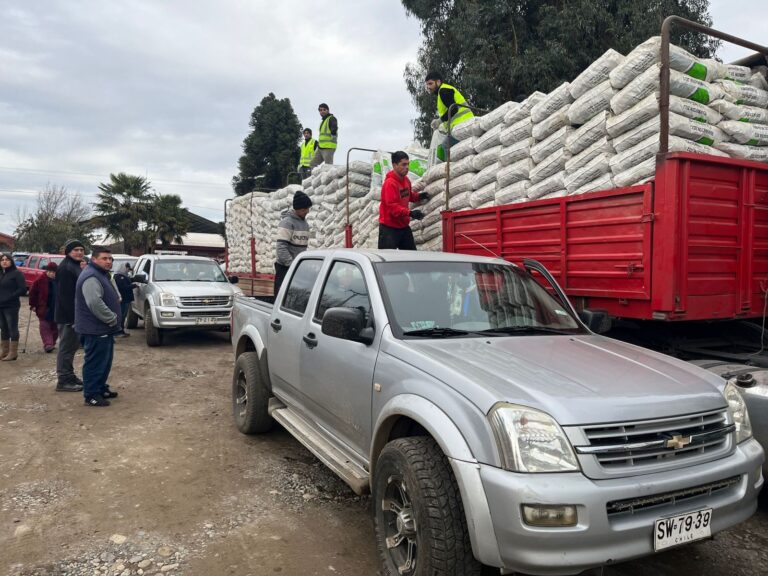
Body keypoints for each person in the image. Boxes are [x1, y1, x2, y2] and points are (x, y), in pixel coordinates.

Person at [74, 248, 121, 407]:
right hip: (95, 328)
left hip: (103, 328)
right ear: (94, 259)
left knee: (104, 361)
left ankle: (100, 388)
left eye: (110, 258)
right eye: (104, 258)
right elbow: (94, 302)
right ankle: (91, 395)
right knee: (95, 362)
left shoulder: (100, 274)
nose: (108, 261)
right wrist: (112, 318)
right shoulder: (91, 276)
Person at [378, 151, 430, 250]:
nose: (407, 167)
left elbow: (409, 196)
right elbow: (392, 207)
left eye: (408, 164)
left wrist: (420, 196)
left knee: (411, 257)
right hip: (389, 228)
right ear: (394, 165)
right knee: (387, 260)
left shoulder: (406, 180)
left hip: (403, 227)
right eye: (403, 164)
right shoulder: (390, 184)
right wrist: (410, 213)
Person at [55, 239, 85, 392]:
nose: (79, 252)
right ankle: (63, 380)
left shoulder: (74, 266)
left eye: (81, 250)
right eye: (76, 250)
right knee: (66, 348)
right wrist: (73, 319)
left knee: (72, 347)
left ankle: (69, 375)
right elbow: (65, 297)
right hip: (68, 317)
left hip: (73, 315)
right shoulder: (66, 268)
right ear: (68, 252)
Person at [274, 191, 312, 295]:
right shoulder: (287, 223)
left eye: (308, 208)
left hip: (297, 268)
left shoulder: (305, 224)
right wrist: (292, 265)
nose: (307, 211)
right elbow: (281, 249)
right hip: (285, 268)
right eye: (304, 209)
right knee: (283, 296)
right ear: (297, 209)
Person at [425, 71, 475, 141]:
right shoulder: (444, 90)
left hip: (461, 124)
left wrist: (440, 121)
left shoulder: (443, 91)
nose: (428, 87)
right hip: (464, 124)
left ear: (438, 82)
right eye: (427, 85)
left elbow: (454, 109)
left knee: (443, 148)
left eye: (430, 83)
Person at [0, 253, 27, 361]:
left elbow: (22, 289)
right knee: (3, 328)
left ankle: (13, 352)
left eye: (7, 259)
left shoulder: (17, 274)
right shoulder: (1, 274)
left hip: (11, 306)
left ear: (11, 261)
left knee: (12, 328)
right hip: (0, 306)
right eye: (2, 260)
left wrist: (10, 296)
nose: (4, 261)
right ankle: (4, 351)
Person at [29, 262, 59, 352]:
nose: (51, 274)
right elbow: (32, 293)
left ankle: (52, 343)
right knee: (44, 326)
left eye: (54, 272)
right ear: (46, 271)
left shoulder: (59, 280)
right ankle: (48, 344)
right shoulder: (40, 280)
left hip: (56, 307)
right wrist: (33, 305)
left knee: (55, 327)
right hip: (44, 307)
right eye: (50, 272)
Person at [310, 103, 338, 167]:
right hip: (320, 147)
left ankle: (330, 177)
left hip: (328, 147)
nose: (322, 111)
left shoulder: (332, 118)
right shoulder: (323, 121)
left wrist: (333, 134)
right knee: (312, 164)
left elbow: (334, 127)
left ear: (328, 110)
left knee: (328, 166)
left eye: (324, 110)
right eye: (320, 110)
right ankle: (314, 177)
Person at [113, 263, 135, 337]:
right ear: (124, 268)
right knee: (121, 315)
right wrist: (133, 286)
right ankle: (118, 332)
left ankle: (121, 331)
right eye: (127, 268)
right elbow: (123, 288)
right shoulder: (120, 277)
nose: (128, 270)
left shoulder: (124, 276)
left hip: (125, 299)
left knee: (123, 316)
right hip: (123, 299)